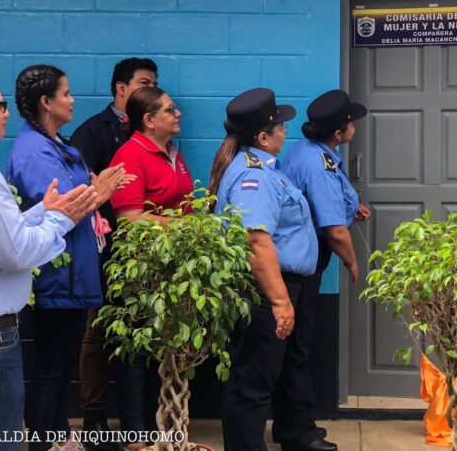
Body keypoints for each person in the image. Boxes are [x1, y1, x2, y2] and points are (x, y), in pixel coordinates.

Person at [0, 67, 96, 450]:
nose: (7, 113)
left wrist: (43, 211)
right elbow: (16, 251)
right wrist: (64, 217)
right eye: (0, 104)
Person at [7, 64, 133, 451]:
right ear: (47, 102)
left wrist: (95, 192)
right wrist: (100, 193)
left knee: (62, 369)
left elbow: (79, 198)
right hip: (53, 278)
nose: (73, 99)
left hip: (75, 275)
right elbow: (60, 208)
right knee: (48, 369)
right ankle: (46, 443)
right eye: (66, 93)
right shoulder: (33, 151)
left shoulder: (60, 145)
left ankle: (60, 437)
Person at [208, 88, 327, 451]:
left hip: (278, 285)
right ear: (263, 137)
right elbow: (256, 243)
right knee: (252, 385)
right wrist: (279, 301)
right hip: (264, 289)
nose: (285, 130)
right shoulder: (254, 177)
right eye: (280, 126)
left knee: (256, 379)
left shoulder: (263, 169)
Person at [275, 89, 372, 449]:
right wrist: (351, 261)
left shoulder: (311, 152)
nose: (353, 127)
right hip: (305, 262)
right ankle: (298, 435)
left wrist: (353, 207)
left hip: (303, 256)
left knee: (297, 346)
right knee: (299, 347)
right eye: (350, 122)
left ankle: (293, 426)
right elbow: (332, 229)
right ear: (338, 131)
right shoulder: (319, 163)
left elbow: (333, 203)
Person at [70, 57, 158, 442]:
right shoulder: (94, 132)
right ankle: (94, 414)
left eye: (153, 83)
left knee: (140, 333)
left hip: (144, 255)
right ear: (121, 89)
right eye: (142, 83)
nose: (149, 89)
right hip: (103, 248)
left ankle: (137, 419)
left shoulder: (152, 131)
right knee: (98, 331)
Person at [108, 86, 193, 451]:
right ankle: (135, 434)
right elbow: (129, 219)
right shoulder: (129, 156)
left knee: (165, 350)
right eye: (171, 111)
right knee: (137, 353)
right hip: (142, 268)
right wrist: (186, 227)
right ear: (149, 120)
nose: (178, 115)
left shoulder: (172, 152)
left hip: (173, 267)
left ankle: (163, 428)